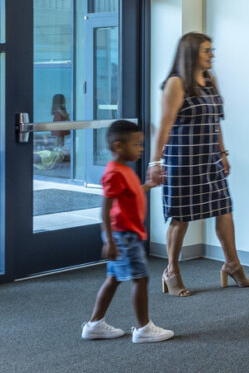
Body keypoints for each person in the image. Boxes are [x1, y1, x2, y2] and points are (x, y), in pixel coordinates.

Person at [148, 32, 249, 295]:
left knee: (224, 209)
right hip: (182, 160)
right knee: (181, 218)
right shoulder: (176, 83)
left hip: (209, 160)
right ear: (191, 53)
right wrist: (155, 162)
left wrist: (223, 152)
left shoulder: (209, 79)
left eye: (211, 49)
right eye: (207, 50)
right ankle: (171, 270)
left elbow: (215, 120)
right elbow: (164, 126)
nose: (212, 55)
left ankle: (232, 264)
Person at [83, 120, 173, 343]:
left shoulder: (124, 170)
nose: (141, 149)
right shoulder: (114, 173)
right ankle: (143, 328)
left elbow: (132, 194)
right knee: (140, 278)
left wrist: (149, 185)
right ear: (118, 147)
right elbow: (105, 208)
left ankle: (94, 324)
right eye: (136, 145)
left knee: (113, 278)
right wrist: (110, 242)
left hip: (125, 234)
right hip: (123, 236)